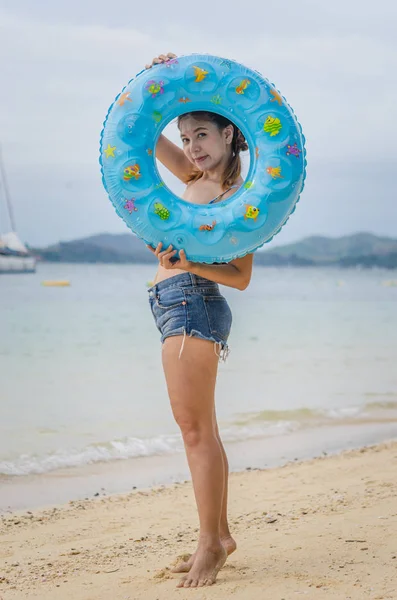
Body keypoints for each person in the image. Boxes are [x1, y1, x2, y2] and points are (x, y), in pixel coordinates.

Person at [146, 53, 254, 588]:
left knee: (193, 432)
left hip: (194, 302)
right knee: (202, 429)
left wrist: (187, 263)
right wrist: (158, 78)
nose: (193, 146)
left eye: (204, 134)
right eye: (188, 137)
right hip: (173, 304)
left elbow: (240, 277)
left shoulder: (238, 196)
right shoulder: (194, 174)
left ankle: (209, 544)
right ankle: (221, 533)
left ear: (231, 133)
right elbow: (146, 137)